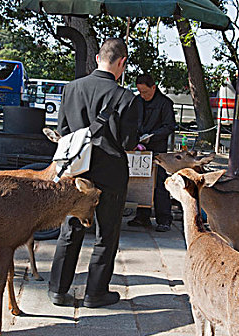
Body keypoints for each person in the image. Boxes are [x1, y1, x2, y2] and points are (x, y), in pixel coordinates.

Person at [48, 38, 140, 308]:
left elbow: (63, 131)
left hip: (77, 173)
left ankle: (57, 289)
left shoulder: (71, 89)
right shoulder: (126, 98)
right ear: (121, 62)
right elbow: (128, 143)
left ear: (99, 58)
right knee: (106, 234)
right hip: (111, 174)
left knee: (71, 229)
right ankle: (96, 293)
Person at [127, 74, 176, 232]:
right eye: (140, 92)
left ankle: (164, 219)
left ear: (154, 87)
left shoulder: (165, 103)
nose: (143, 95)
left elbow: (169, 126)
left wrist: (153, 136)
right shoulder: (137, 101)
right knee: (141, 181)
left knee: (160, 183)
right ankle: (142, 216)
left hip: (158, 149)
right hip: (139, 147)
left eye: (145, 92)